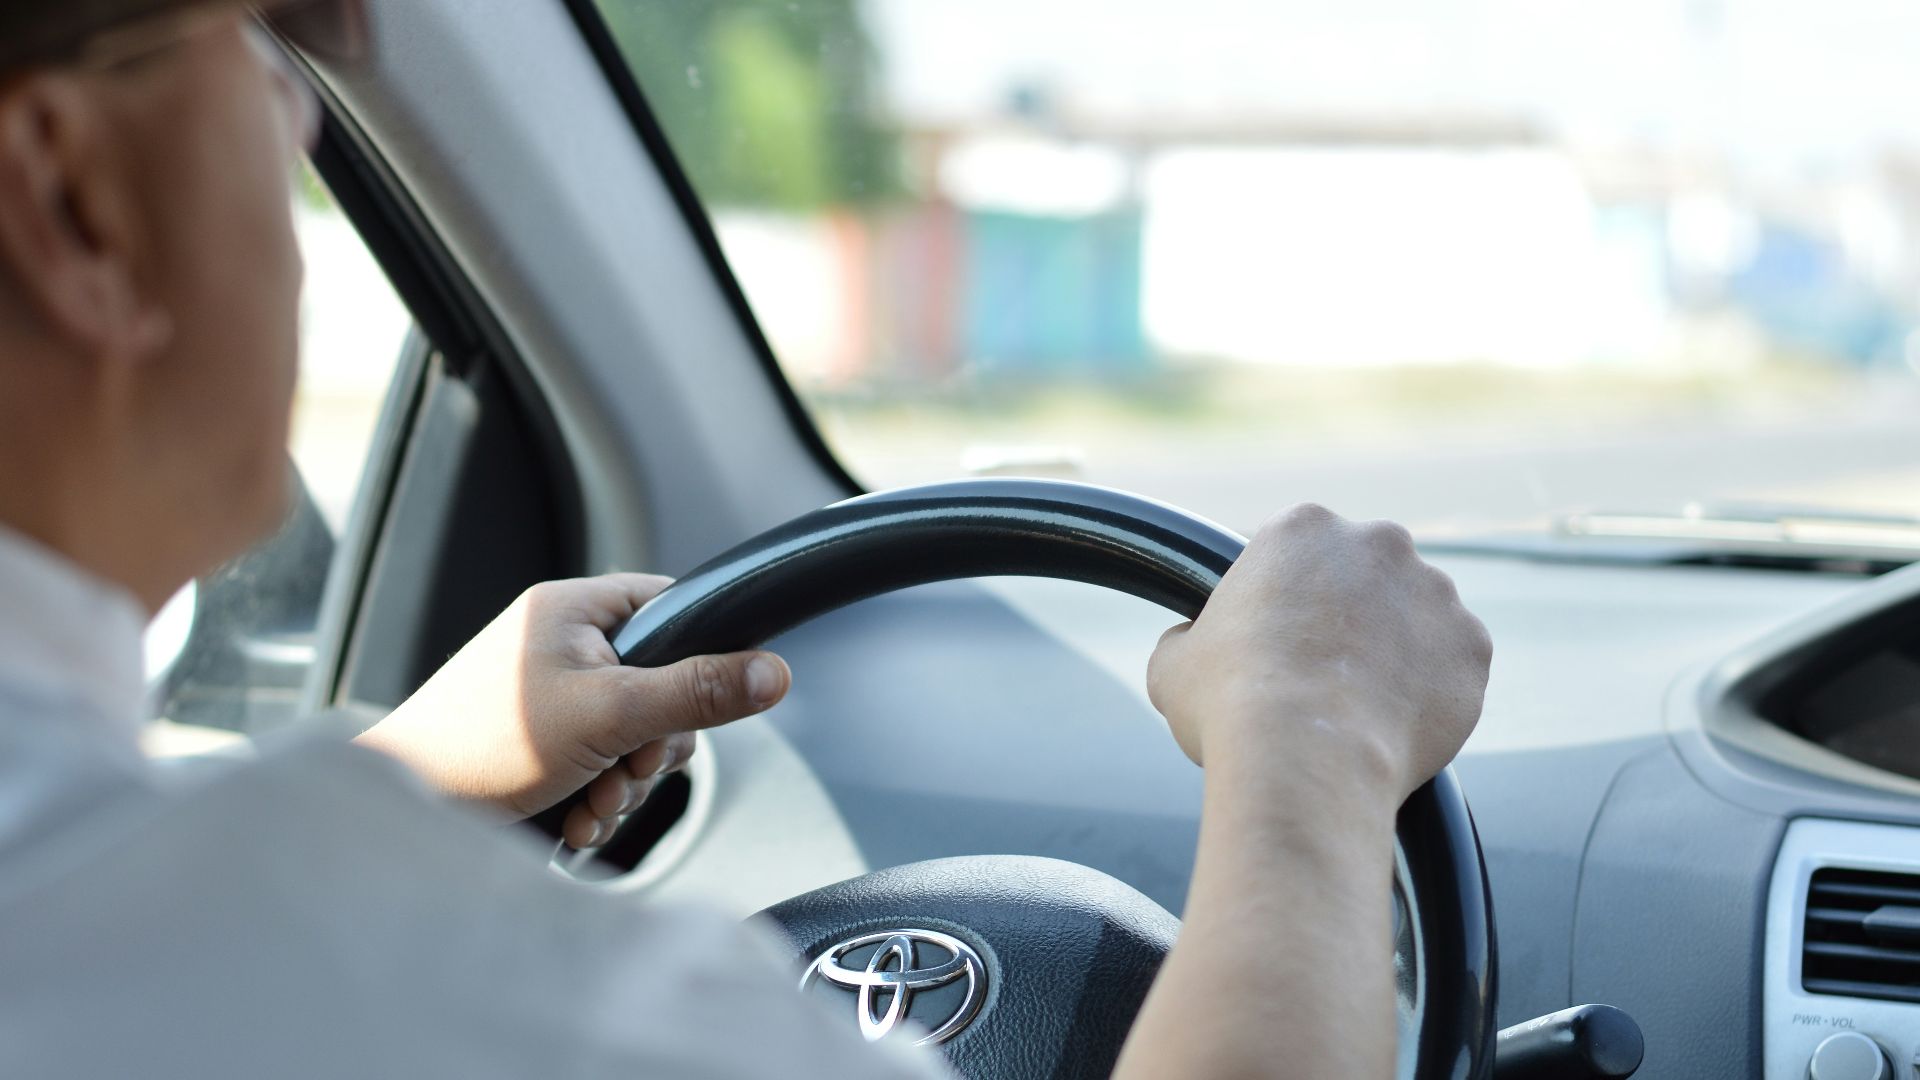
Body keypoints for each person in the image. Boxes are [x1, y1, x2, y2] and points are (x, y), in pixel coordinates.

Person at [0, 1, 1493, 1076]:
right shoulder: (381, 954)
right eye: (266, 34)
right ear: (66, 200)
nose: (307, 105)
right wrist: (1313, 748)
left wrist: (399, 786)